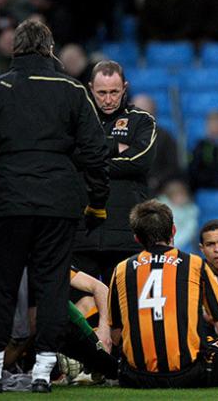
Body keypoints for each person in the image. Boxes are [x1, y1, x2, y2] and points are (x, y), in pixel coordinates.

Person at [0, 19, 110, 393]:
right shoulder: (72, 90)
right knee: (52, 286)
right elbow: (96, 154)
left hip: (8, 202)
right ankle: (43, 371)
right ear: (49, 48)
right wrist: (97, 205)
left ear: (15, 50)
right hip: (58, 205)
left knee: (0, 285)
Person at [109, 199, 218, 388]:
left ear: (136, 238)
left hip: (136, 377)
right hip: (188, 375)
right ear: (173, 231)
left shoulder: (121, 269)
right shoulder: (194, 264)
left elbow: (115, 337)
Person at [72, 60, 156, 288]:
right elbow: (68, 156)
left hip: (126, 235)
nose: (108, 100)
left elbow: (139, 162)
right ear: (90, 88)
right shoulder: (75, 121)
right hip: (82, 235)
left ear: (125, 88)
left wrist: (90, 159)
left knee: (125, 313)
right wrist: (115, 147)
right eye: (101, 93)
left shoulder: (142, 120)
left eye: (114, 92)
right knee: (81, 312)